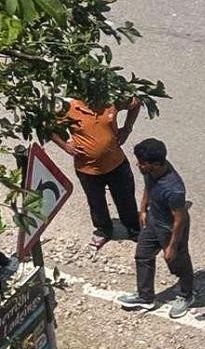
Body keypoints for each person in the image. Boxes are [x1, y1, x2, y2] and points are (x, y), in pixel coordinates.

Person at [117, 139, 195, 319]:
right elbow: (149, 186)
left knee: (178, 263)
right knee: (143, 255)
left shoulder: (174, 188)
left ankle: (186, 295)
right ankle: (145, 297)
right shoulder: (151, 171)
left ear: (157, 164)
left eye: (142, 163)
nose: (138, 165)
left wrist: (172, 246)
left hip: (170, 228)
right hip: (154, 220)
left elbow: (180, 218)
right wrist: (143, 209)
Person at [50, 98, 142, 249]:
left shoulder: (110, 99)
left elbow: (136, 103)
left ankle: (134, 229)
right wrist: (65, 146)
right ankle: (103, 230)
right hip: (87, 169)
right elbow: (48, 128)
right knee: (96, 202)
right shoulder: (68, 108)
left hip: (117, 163)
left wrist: (127, 128)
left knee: (126, 198)